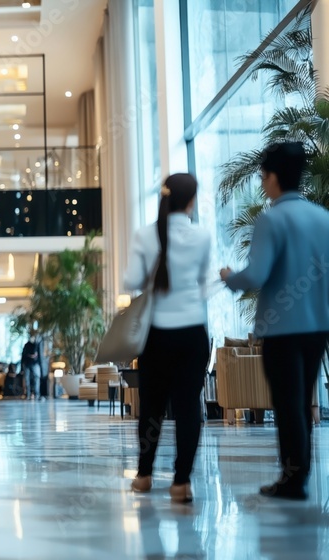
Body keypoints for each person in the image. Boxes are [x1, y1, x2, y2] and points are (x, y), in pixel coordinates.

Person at [220, 142, 329, 500]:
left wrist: (229, 276)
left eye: (264, 177)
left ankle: (291, 479)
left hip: (282, 329)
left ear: (274, 178)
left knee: (287, 403)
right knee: (302, 403)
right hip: (317, 328)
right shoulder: (322, 217)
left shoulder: (271, 219)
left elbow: (256, 275)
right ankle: (301, 473)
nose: (263, 184)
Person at [124, 173, 211, 504]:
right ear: (190, 201)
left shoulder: (145, 236)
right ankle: (180, 483)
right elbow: (202, 284)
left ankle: (144, 476)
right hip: (193, 333)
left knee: (152, 408)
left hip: (156, 335)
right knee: (189, 407)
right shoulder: (201, 236)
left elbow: (131, 280)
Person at [21, 333, 42, 400]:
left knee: (36, 378)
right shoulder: (26, 345)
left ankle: (36, 394)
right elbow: (23, 356)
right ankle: (28, 394)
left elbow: (38, 356)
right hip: (27, 364)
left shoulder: (37, 345)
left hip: (35, 364)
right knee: (27, 379)